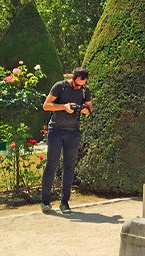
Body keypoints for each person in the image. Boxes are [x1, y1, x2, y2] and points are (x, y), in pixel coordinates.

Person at [40, 67, 92, 214]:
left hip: (73, 132)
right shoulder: (59, 87)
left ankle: (64, 202)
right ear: (73, 78)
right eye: (78, 84)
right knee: (52, 165)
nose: (80, 86)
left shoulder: (84, 90)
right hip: (56, 130)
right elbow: (46, 105)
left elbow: (90, 109)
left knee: (69, 167)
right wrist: (64, 106)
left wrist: (84, 110)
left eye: (83, 84)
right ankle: (45, 201)